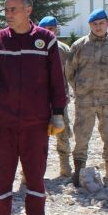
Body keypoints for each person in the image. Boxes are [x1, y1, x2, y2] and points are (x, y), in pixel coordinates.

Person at [0, 0, 67, 215]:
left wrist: (57, 112)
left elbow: (56, 81)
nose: (8, 14)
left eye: (13, 9)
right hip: (3, 125)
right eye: (6, 9)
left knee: (36, 179)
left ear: (28, 10)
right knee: (2, 179)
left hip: (35, 124)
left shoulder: (46, 41)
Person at [65, 9, 108, 186]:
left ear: (107, 24)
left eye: (101, 23)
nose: (98, 27)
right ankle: (78, 171)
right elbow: (70, 71)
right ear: (90, 25)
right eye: (94, 24)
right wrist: (79, 89)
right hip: (85, 100)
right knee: (81, 135)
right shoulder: (79, 45)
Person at [38, 16, 73, 177]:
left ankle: (65, 166)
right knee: (36, 137)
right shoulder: (35, 47)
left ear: (56, 30)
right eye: (45, 29)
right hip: (38, 101)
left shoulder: (64, 49)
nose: (48, 32)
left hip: (59, 100)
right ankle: (32, 171)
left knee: (62, 132)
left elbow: (71, 74)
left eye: (51, 29)